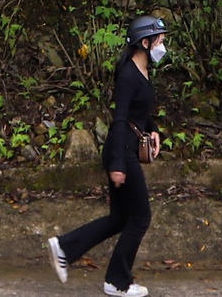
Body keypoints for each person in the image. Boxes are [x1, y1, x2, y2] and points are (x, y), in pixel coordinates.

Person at [47, 15, 166, 297]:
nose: (163, 45)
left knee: (119, 218)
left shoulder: (144, 69)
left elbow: (139, 114)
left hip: (124, 151)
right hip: (122, 153)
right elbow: (120, 118)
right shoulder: (128, 74)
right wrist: (116, 164)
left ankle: (65, 247)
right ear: (145, 42)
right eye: (160, 40)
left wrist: (154, 130)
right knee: (140, 217)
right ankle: (117, 282)